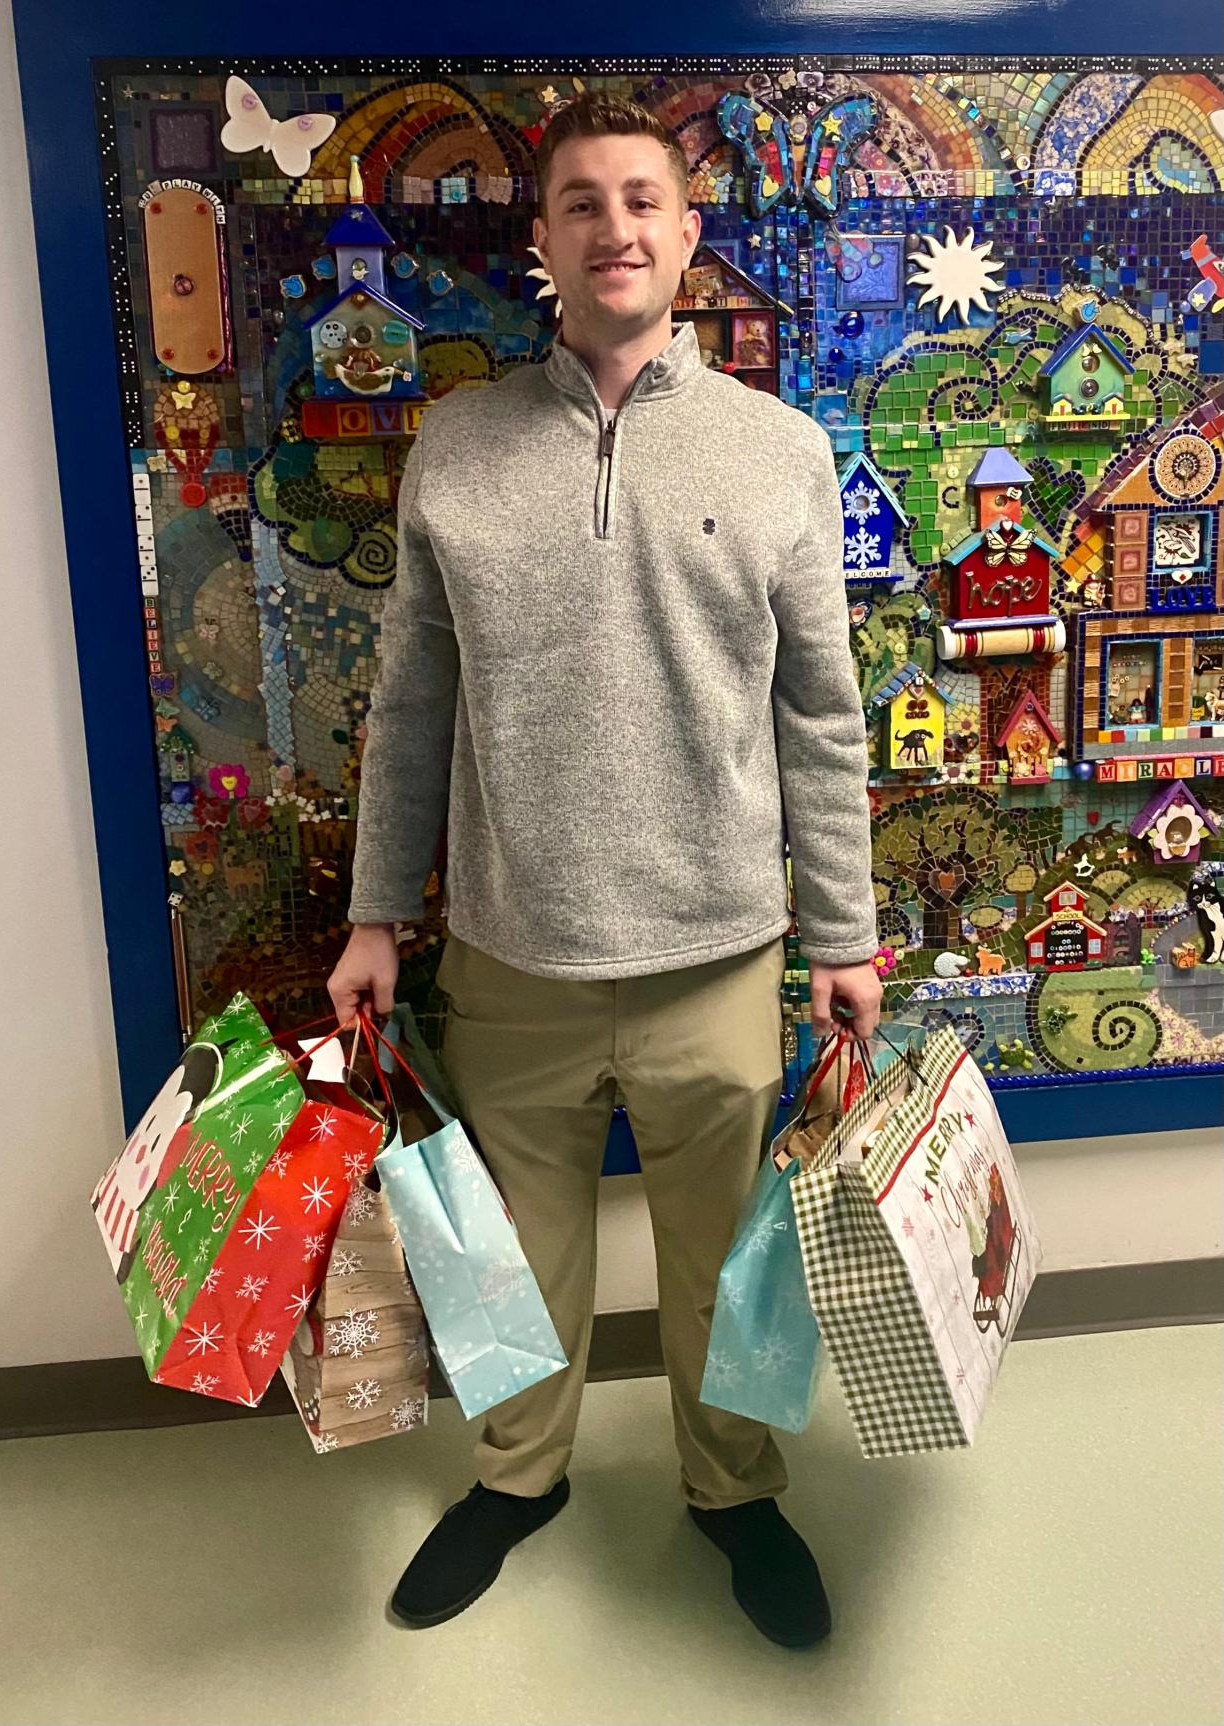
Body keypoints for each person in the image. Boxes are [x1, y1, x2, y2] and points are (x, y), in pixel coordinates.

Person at [328, 92, 881, 1648]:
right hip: (510, 954)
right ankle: (520, 1474)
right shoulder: (457, 442)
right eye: (582, 201)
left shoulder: (778, 450)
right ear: (544, 240)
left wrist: (839, 929)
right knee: (510, 1264)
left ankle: (734, 1488)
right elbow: (411, 708)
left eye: (643, 199)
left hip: (719, 949)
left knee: (724, 1269)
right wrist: (379, 916)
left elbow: (820, 717)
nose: (615, 227)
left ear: (687, 235)